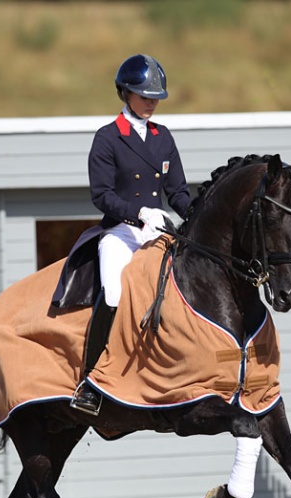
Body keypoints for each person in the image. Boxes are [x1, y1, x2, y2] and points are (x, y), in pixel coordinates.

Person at [71, 53, 191, 414]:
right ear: (125, 93)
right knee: (112, 293)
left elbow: (179, 192)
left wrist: (194, 217)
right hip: (121, 232)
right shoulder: (108, 138)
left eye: (156, 96)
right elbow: (102, 195)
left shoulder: (163, 137)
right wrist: (138, 213)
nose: (152, 102)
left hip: (158, 231)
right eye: (144, 95)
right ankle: (89, 381)